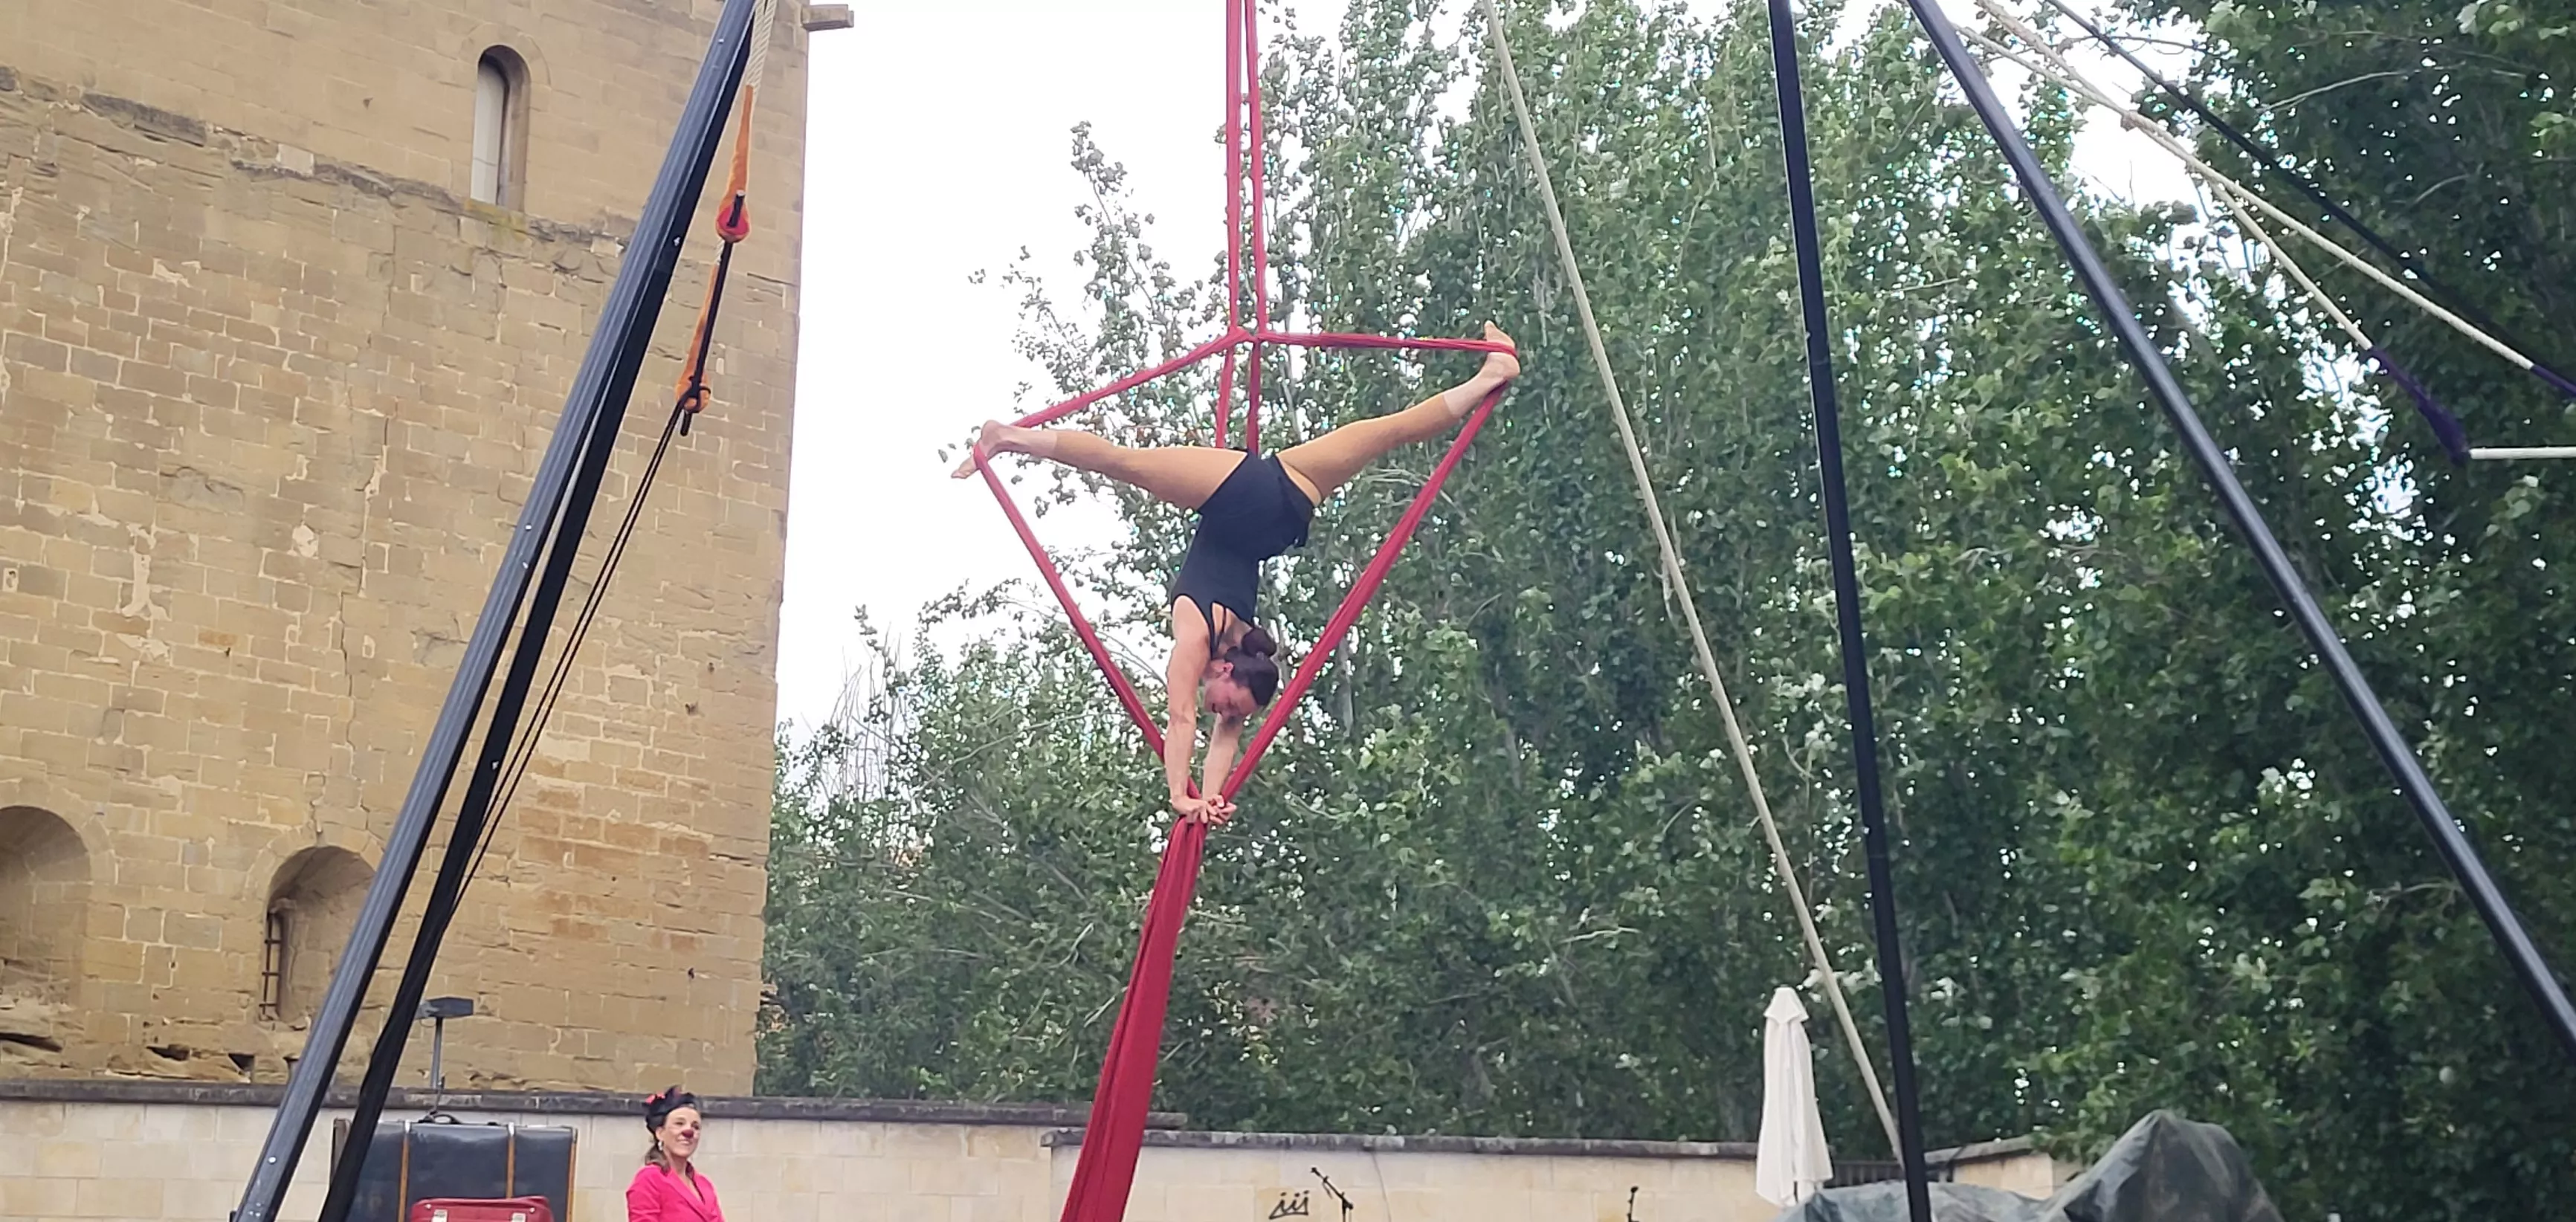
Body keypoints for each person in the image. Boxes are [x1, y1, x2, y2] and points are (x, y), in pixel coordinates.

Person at [957, 323, 1521, 824]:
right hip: (1244, 497)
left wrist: (1203, 797)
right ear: (1226, 669)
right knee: (1123, 462)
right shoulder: (1198, 636)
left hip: (1286, 505)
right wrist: (1184, 794)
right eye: (1230, 705)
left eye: (1230, 711)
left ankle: (1490, 375)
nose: (1221, 713)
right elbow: (1181, 719)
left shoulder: (1236, 648)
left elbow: (1208, 734)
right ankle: (1007, 437)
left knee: (1385, 431)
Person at [627, 1085, 725, 1221]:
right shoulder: (649, 1179)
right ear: (660, 1133)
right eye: (679, 1124)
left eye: (695, 1127)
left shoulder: (704, 1184)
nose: (688, 1132)